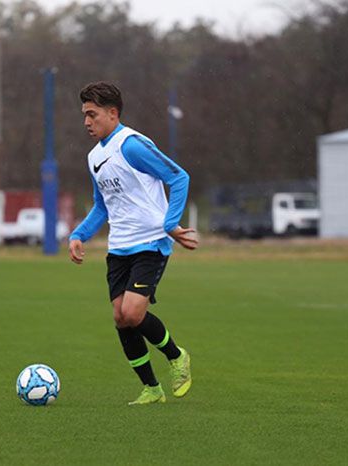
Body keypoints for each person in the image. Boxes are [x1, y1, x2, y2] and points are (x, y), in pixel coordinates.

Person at [69, 82, 199, 405]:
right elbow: (102, 206)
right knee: (120, 317)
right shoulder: (94, 157)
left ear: (112, 113)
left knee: (132, 311)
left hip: (150, 242)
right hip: (119, 248)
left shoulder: (132, 146)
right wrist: (78, 235)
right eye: (84, 115)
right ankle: (151, 389)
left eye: (92, 114)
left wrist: (169, 224)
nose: (86, 122)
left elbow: (178, 177)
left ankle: (177, 356)